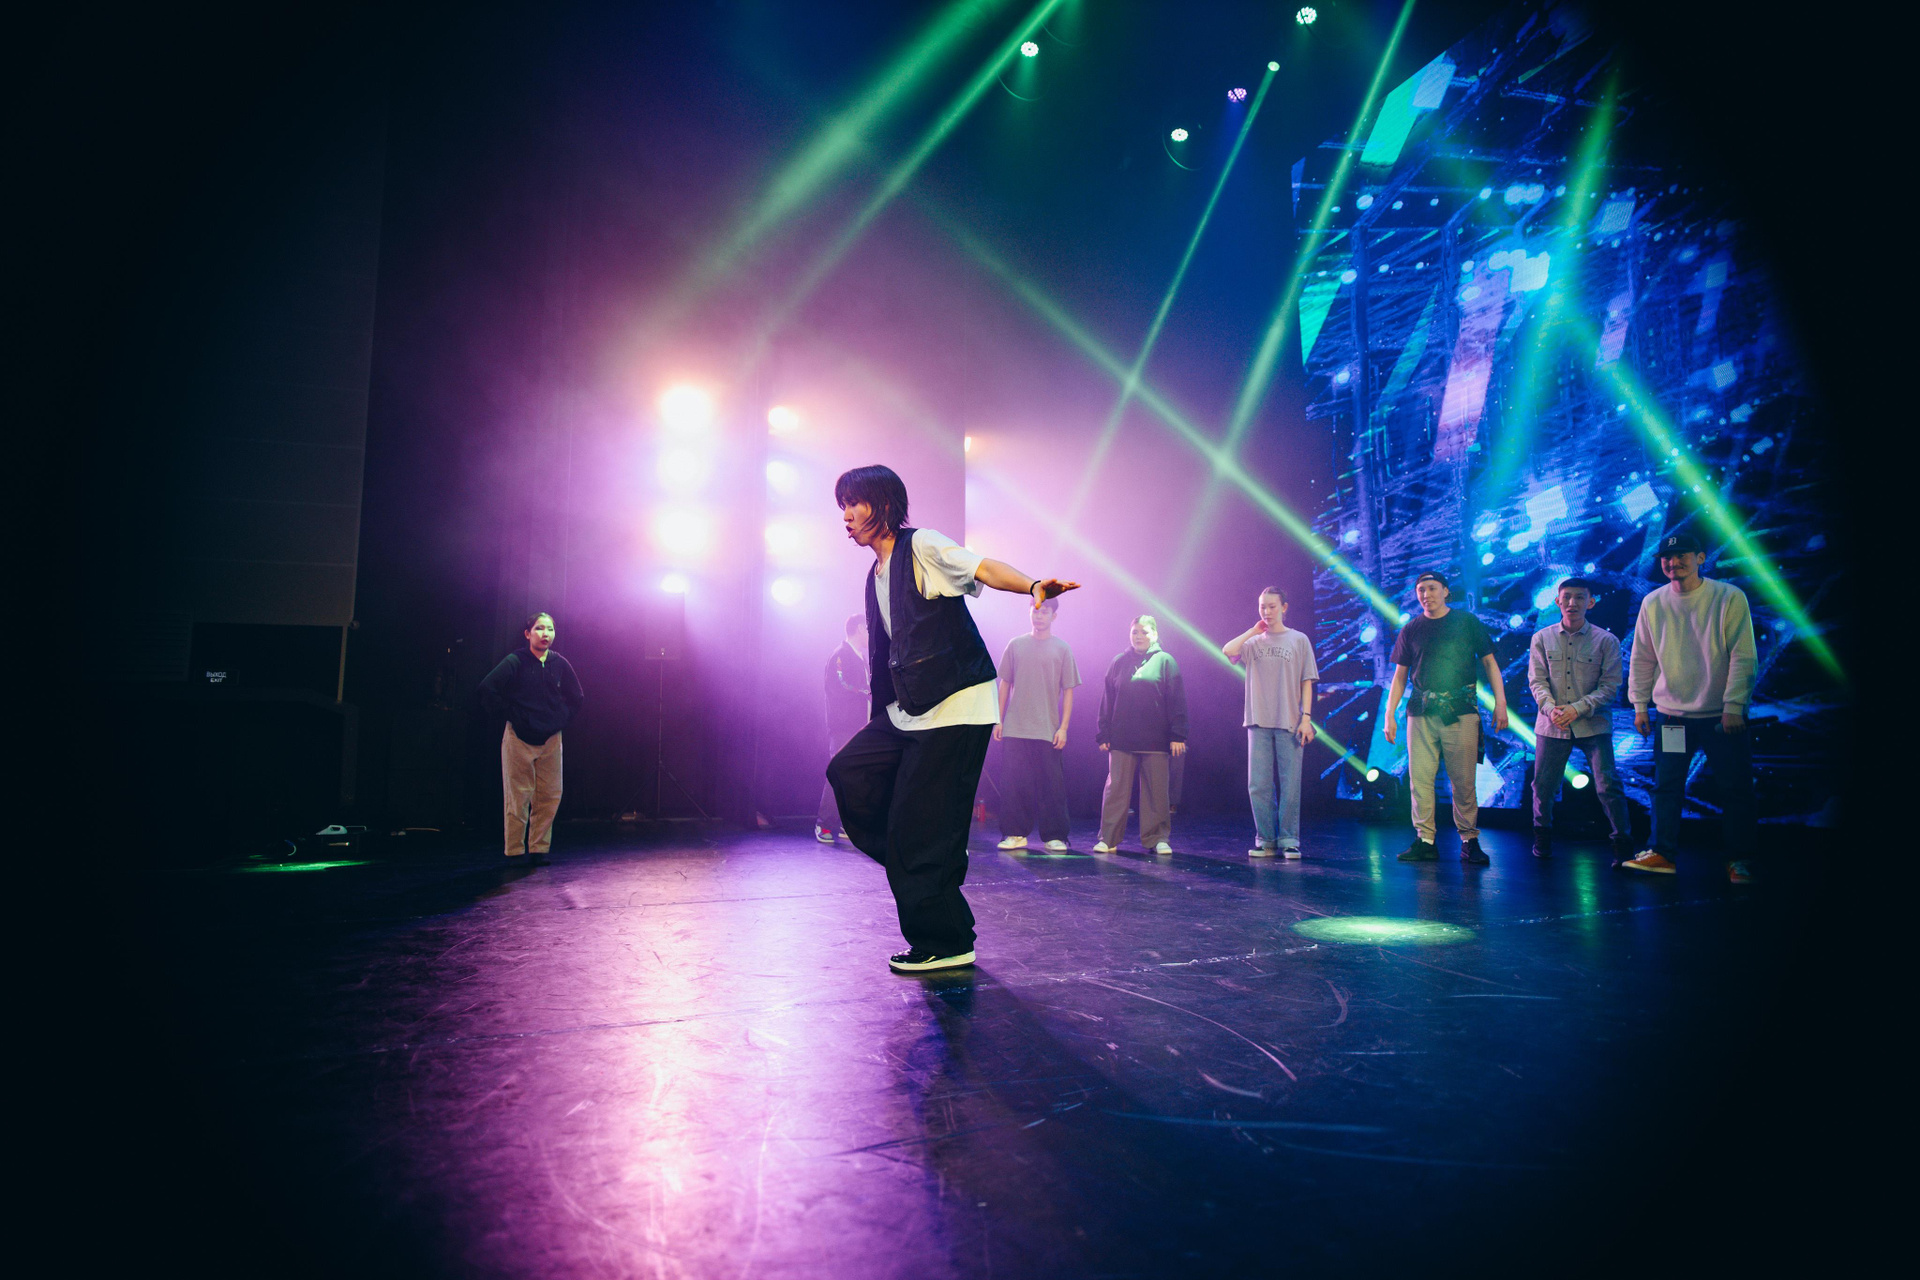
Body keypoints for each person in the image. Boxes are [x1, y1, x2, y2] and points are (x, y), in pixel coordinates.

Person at [824, 465, 1079, 973]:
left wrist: (1032, 585)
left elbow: (981, 568)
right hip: (910, 709)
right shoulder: (875, 573)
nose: (846, 516)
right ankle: (922, 857)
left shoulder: (920, 546)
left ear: (883, 504)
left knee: (923, 832)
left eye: (854, 503)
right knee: (848, 773)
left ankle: (946, 940)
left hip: (956, 703)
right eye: (841, 507)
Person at [1622, 532, 1759, 883]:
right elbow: (1642, 657)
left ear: (1700, 558)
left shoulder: (1728, 596)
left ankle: (1740, 859)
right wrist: (1640, 705)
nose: (1673, 562)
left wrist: (1734, 704)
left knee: (1735, 789)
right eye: (1667, 557)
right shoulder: (1653, 602)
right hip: (1672, 716)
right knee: (1666, 787)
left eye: (1682, 555)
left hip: (1720, 717)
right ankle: (1662, 853)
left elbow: (1743, 655)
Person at [1383, 572, 1509, 865]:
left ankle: (1469, 840)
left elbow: (1490, 663)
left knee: (1463, 780)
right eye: (1420, 590)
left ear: (1445, 591)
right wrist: (1390, 714)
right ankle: (1425, 840)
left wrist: (1500, 703)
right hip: (1421, 710)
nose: (1426, 594)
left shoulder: (1466, 622)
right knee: (1420, 780)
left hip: (1459, 710)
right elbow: (1400, 676)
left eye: (1431, 588)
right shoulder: (1411, 628)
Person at [1527, 577, 1633, 861]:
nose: (1572, 603)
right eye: (1567, 597)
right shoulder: (1541, 638)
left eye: (1579, 597)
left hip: (1593, 724)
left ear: (1591, 602)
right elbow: (1537, 681)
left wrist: (1577, 709)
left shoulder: (1606, 641)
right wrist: (1551, 709)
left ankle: (1622, 844)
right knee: (1543, 786)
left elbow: (1611, 686)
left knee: (1608, 785)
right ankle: (1542, 836)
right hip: (1551, 723)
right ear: (1557, 601)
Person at [478, 611, 584, 866]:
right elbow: (487, 688)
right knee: (518, 796)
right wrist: (514, 716)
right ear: (527, 634)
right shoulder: (516, 661)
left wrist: (560, 719)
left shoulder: (559, 663)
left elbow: (577, 697)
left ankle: (539, 849)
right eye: (539, 628)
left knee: (550, 795)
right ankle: (514, 851)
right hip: (520, 737)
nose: (545, 634)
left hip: (550, 738)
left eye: (549, 629)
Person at [1224, 587, 1320, 859]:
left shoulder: (1298, 639)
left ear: (1284, 607)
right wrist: (1253, 631)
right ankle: (1265, 839)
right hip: (1258, 720)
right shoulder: (1253, 643)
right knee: (1259, 785)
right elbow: (1228, 650)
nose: (1266, 611)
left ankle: (1289, 840)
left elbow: (1307, 681)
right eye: (1262, 606)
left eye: (1272, 606)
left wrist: (1306, 718)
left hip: (1289, 720)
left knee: (1290, 784)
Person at [1094, 616, 1187, 856]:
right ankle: (1108, 838)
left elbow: (1176, 700)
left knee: (1157, 792)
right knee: (1115, 790)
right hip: (1122, 738)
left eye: (1144, 632)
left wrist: (1178, 734)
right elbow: (1107, 700)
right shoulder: (1119, 662)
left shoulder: (1166, 661)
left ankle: (1158, 838)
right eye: (1135, 631)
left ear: (1155, 634)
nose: (1139, 636)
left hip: (1156, 740)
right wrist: (1103, 733)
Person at [994, 596, 1081, 852]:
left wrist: (1063, 727)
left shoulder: (1062, 648)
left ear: (1054, 616)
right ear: (1029, 612)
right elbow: (1004, 684)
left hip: (1047, 729)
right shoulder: (1015, 645)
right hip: (1015, 727)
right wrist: (998, 719)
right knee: (1014, 784)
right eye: (1035, 610)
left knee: (1051, 786)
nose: (1039, 616)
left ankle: (1055, 836)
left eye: (1045, 612)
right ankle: (1014, 833)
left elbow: (1069, 690)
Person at [817, 614, 869, 843]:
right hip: (843, 726)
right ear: (860, 628)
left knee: (851, 775)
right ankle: (824, 824)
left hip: (859, 726)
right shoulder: (841, 654)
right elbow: (840, 686)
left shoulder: (860, 657)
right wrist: (866, 691)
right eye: (869, 628)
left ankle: (840, 822)